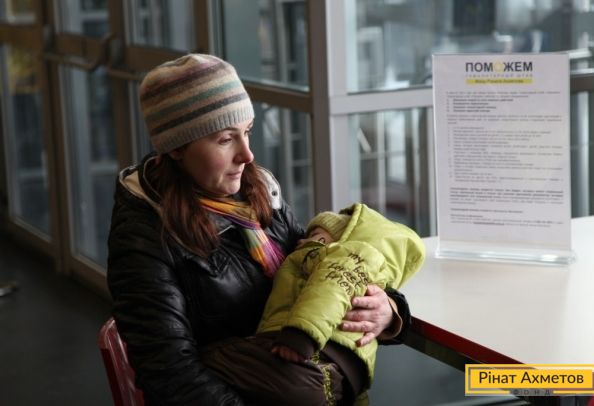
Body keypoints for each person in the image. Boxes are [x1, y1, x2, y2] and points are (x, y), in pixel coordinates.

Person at [106, 53, 413, 405]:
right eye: (225, 139)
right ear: (176, 148)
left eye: (247, 132)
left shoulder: (259, 190)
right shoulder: (143, 235)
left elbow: (315, 268)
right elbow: (171, 375)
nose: (247, 155)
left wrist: (388, 311)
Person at [202, 203, 425, 405]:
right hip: (342, 377)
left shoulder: (340, 255)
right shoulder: (356, 264)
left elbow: (329, 289)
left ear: (342, 241)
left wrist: (300, 337)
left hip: (309, 356)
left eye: (316, 236)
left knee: (213, 359)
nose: (300, 241)